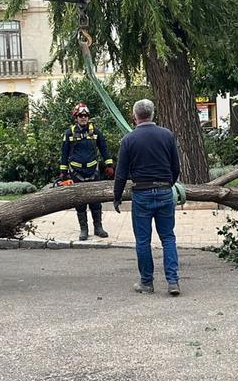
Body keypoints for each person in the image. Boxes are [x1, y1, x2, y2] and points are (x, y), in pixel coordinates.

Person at [112, 99, 181, 296]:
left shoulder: (129, 140)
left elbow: (121, 172)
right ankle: (173, 281)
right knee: (168, 237)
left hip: (141, 194)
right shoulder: (166, 135)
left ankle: (147, 283)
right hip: (164, 191)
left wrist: (117, 196)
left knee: (143, 240)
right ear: (152, 114)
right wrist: (170, 184)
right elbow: (175, 166)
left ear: (134, 117)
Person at [59, 102, 114, 241]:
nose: (83, 118)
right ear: (75, 117)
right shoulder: (69, 133)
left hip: (93, 172)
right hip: (76, 173)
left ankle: (98, 227)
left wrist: (109, 165)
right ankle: (84, 229)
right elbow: (64, 154)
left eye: (86, 115)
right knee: (80, 202)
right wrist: (63, 173)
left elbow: (104, 149)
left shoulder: (95, 132)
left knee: (96, 202)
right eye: (80, 116)